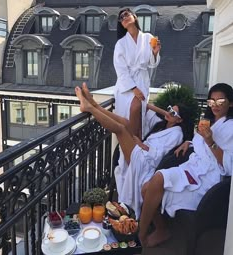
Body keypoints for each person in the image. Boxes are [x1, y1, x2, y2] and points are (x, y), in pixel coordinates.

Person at [75, 83, 193, 219]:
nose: (168, 113)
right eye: (169, 109)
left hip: (146, 163)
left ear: (180, 119)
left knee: (121, 129)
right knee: (125, 123)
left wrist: (141, 145)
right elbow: (146, 107)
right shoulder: (163, 125)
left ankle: (90, 107)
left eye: (173, 113)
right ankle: (94, 105)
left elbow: (158, 155)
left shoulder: (177, 134)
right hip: (142, 152)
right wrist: (167, 112)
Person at [139, 83, 233, 247]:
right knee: (145, 188)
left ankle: (140, 235)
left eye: (220, 101)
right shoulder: (209, 121)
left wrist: (210, 141)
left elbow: (228, 164)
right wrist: (189, 142)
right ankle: (161, 229)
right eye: (212, 101)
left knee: (158, 178)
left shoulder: (231, 128)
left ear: (231, 103)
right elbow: (200, 145)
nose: (215, 105)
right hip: (192, 168)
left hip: (207, 179)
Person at [113, 8, 161, 139]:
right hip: (126, 85)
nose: (124, 18)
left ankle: (136, 141)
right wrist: (133, 88)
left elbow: (152, 64)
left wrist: (155, 53)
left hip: (142, 80)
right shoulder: (121, 44)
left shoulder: (148, 38)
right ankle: (133, 142)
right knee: (133, 109)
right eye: (121, 18)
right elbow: (120, 70)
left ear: (134, 17)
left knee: (138, 111)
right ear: (121, 24)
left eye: (127, 14)